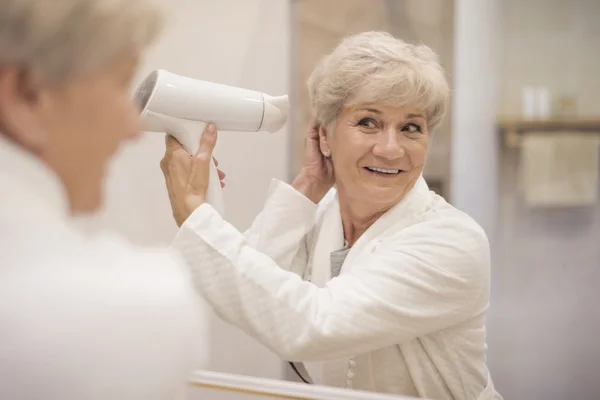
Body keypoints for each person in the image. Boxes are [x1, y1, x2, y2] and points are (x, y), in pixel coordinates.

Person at [161, 31, 502, 400]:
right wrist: (308, 184)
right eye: (368, 122)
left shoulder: (451, 241)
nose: (390, 149)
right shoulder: (322, 215)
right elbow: (253, 288)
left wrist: (194, 215)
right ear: (324, 137)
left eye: (410, 127)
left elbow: (313, 326)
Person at [0, 1, 222, 398]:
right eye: (121, 84)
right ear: (27, 96)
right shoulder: (136, 304)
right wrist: (200, 217)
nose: (133, 128)